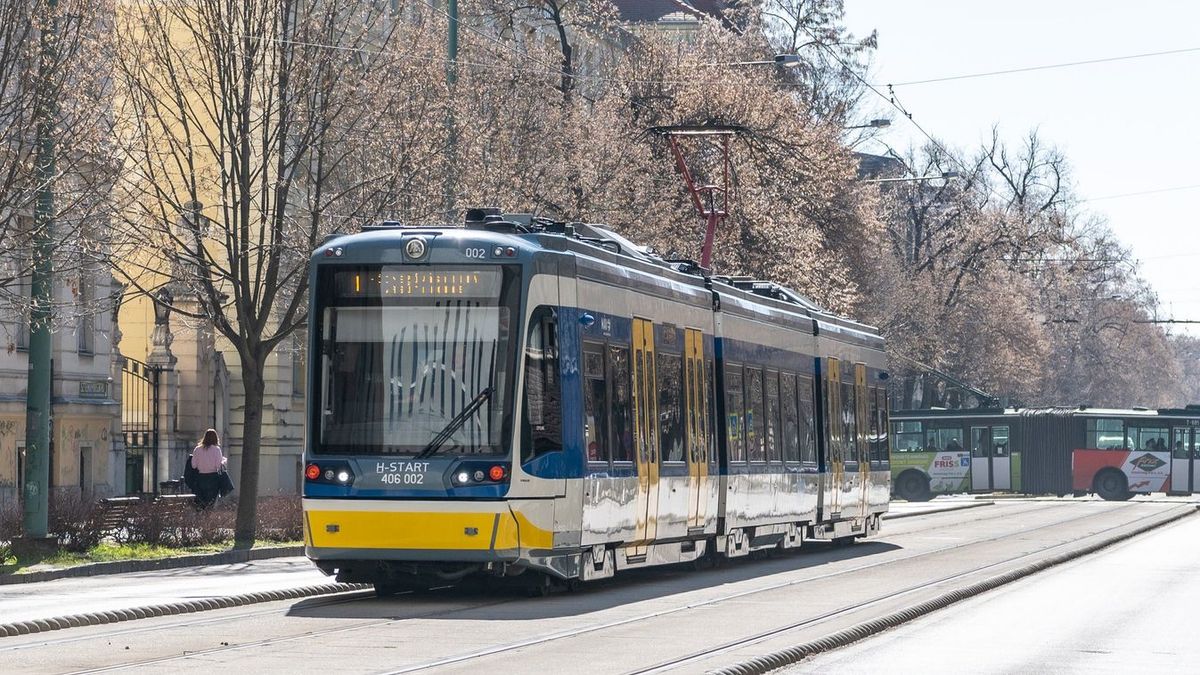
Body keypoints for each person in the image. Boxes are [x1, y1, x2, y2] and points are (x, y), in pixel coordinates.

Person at [191, 428, 227, 509]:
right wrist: (223, 461)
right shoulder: (216, 449)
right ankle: (208, 515)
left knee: (201, 502)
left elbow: (194, 465)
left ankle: (202, 515)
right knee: (211, 503)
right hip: (213, 478)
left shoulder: (197, 449)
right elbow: (218, 466)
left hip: (201, 478)